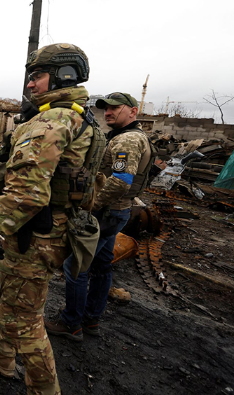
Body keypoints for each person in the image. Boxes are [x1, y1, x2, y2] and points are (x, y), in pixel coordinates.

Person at [0, 43, 99, 395]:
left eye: (37, 76)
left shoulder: (53, 120)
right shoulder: (76, 116)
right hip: (42, 226)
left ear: (62, 76)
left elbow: (27, 193)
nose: (30, 84)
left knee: (23, 316)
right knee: (2, 289)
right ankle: (0, 353)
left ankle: (44, 389)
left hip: (39, 231)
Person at [45, 92, 154, 341]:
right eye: (106, 108)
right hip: (117, 212)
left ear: (133, 112)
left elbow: (121, 180)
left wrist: (91, 205)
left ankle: (71, 323)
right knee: (102, 265)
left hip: (106, 212)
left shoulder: (127, 140)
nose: (108, 112)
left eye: (116, 108)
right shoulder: (127, 137)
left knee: (75, 266)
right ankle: (91, 319)